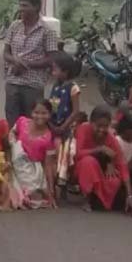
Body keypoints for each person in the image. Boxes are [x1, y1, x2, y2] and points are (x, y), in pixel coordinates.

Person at [3, 0, 59, 126]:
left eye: (25, 6)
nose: (21, 9)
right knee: (12, 121)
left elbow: (52, 59)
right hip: (13, 81)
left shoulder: (47, 30)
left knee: (32, 120)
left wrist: (26, 64)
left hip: (33, 84)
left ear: (36, 7)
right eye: (20, 5)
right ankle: (13, 146)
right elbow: (6, 53)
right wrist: (15, 61)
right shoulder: (14, 26)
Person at [74, 106, 132, 214]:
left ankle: (100, 200)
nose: (102, 129)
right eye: (98, 126)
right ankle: (87, 199)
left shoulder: (110, 138)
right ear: (91, 123)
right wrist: (99, 149)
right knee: (88, 162)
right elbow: (79, 154)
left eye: (105, 126)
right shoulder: (83, 129)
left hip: (102, 170)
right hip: (81, 169)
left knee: (114, 179)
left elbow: (122, 164)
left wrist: (130, 195)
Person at [9, 100, 57, 209]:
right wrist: (13, 141)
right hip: (14, 163)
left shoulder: (49, 138)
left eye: (44, 113)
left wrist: (51, 190)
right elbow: (12, 132)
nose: (40, 116)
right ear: (31, 113)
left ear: (49, 115)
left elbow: (48, 165)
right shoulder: (22, 121)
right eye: (36, 112)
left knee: (35, 197)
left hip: (32, 171)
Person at [48, 52, 81, 183]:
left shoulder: (73, 88)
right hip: (55, 124)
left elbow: (75, 111)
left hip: (68, 127)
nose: (52, 71)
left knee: (66, 151)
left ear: (65, 71)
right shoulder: (56, 86)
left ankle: (64, 181)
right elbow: (54, 106)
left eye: (55, 69)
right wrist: (51, 123)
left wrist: (63, 127)